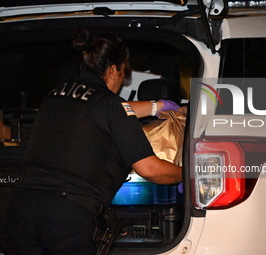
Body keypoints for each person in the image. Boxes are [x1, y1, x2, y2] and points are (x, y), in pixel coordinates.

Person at [3, 32, 182, 255]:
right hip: (66, 216)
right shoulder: (110, 105)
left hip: (20, 210)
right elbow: (151, 169)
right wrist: (188, 176)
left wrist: (156, 106)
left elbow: (106, 110)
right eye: (124, 72)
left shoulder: (53, 97)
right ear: (114, 69)